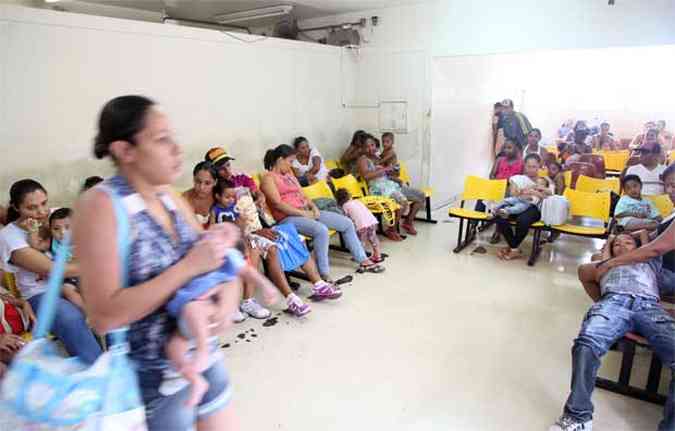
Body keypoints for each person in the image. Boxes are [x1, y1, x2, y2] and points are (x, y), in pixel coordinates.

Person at [74, 95, 242, 430]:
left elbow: (213, 258)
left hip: (202, 357)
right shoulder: (101, 206)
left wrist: (230, 293)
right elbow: (103, 315)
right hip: (153, 383)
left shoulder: (167, 196)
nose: (176, 148)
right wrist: (188, 268)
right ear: (125, 151)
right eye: (162, 139)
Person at [549, 233, 674, 431]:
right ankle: (578, 417)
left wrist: (639, 237)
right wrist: (609, 245)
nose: (622, 245)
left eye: (628, 242)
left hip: (650, 307)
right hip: (614, 301)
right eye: (617, 244)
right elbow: (587, 271)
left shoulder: (650, 261)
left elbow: (650, 243)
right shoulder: (604, 263)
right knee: (587, 344)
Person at [0, 180, 101, 364]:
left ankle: (118, 358)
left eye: (44, 203)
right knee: (71, 318)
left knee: (111, 299)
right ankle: (98, 373)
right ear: (16, 207)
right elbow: (52, 269)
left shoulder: (57, 216)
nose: (42, 212)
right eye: (32, 208)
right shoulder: (9, 236)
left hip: (75, 280)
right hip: (41, 294)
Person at [260, 144, 384, 281]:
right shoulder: (268, 178)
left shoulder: (289, 175)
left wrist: (314, 208)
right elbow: (278, 203)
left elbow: (303, 195)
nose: (290, 166)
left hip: (306, 212)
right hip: (288, 218)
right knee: (321, 230)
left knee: (347, 223)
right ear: (280, 159)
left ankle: (363, 259)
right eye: (290, 162)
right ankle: (323, 273)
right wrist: (303, 214)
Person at [233, 183, 339, 317]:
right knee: (268, 247)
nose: (228, 170)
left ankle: (318, 283)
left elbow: (256, 195)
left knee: (292, 238)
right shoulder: (229, 204)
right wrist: (255, 231)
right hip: (247, 236)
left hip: (261, 229)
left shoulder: (243, 190)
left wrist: (259, 198)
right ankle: (290, 298)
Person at [357, 134, 425, 236]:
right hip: (379, 189)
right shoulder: (363, 159)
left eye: (372, 145)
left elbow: (389, 173)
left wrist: (394, 171)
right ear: (362, 148)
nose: (370, 148)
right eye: (367, 147)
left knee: (420, 195)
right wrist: (385, 169)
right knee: (402, 203)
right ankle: (391, 229)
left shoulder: (378, 156)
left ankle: (408, 222)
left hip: (390, 184)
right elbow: (366, 176)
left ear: (375, 145)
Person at [25, 208, 85, 310]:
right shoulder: (53, 242)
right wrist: (32, 230)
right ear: (50, 230)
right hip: (67, 276)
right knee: (66, 290)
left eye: (68, 227)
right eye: (56, 229)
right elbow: (36, 245)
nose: (62, 232)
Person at [495, 154, 550, 260]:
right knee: (499, 216)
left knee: (522, 220)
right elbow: (513, 193)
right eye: (529, 166)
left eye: (534, 166)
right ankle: (514, 248)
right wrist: (524, 192)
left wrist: (538, 192)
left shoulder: (545, 180)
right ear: (525, 166)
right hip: (517, 204)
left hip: (534, 208)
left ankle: (511, 247)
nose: (531, 169)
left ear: (539, 166)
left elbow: (549, 196)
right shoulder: (518, 178)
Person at [335, 188, 383, 264]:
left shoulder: (345, 206)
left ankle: (361, 257)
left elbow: (346, 218)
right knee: (373, 238)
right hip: (371, 221)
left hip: (361, 225)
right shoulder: (357, 201)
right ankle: (377, 255)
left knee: (360, 242)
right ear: (349, 196)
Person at [183, 161, 218, 227]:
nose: (202, 187)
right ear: (193, 179)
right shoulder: (184, 199)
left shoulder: (220, 197)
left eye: (207, 183)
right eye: (198, 182)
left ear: (215, 182)